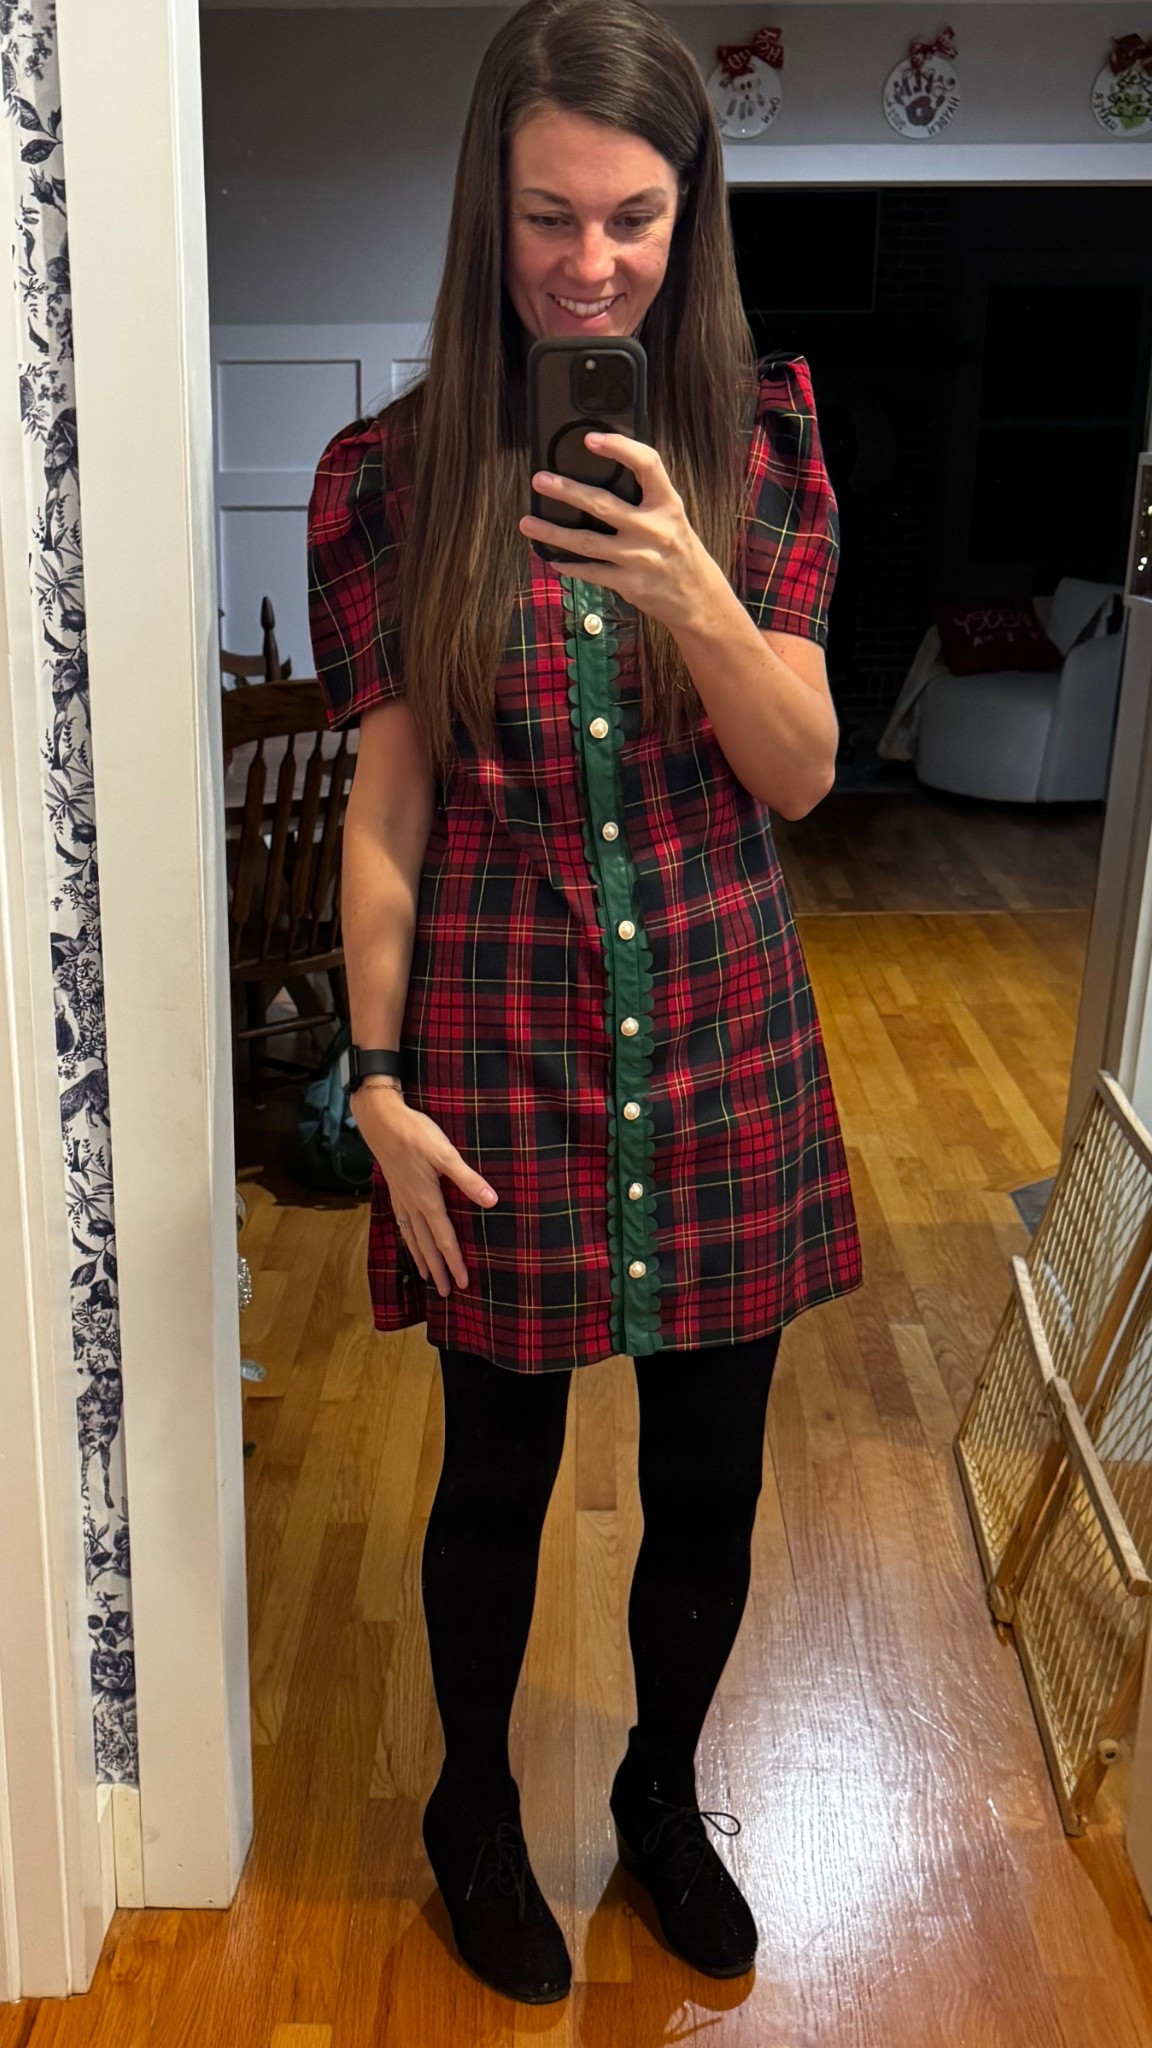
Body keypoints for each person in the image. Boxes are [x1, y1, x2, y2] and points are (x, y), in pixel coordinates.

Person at [306, 0, 862, 2005]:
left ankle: (660, 1794)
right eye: (550, 216)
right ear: (492, 206)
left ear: (689, 213)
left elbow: (800, 772)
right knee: (495, 1476)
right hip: (497, 1057)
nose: (592, 263)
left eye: (634, 216)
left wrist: (692, 586)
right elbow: (385, 807)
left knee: (712, 1477)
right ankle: (472, 1810)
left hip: (723, 1050)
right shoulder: (387, 478)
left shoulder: (764, 446)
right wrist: (372, 1084)